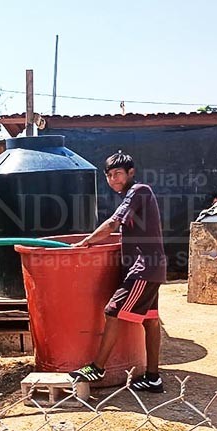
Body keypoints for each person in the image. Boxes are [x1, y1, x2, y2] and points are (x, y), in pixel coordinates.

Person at [68, 152, 167, 393]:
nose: (113, 179)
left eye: (118, 174)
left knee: (113, 311)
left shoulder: (138, 191)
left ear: (131, 172)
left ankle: (97, 367)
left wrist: (87, 242)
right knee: (151, 321)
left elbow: (113, 222)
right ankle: (153, 377)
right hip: (151, 267)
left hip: (143, 268)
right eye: (109, 176)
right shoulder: (135, 195)